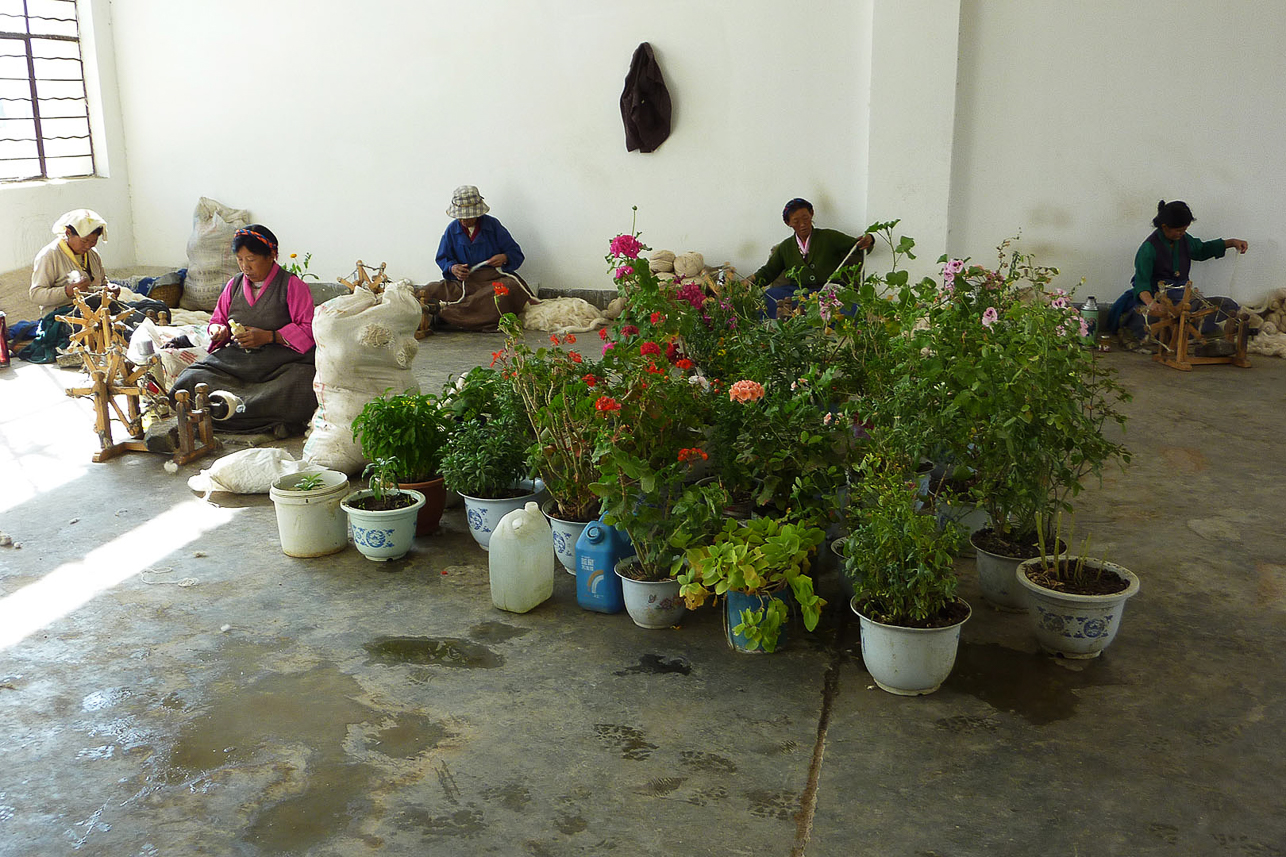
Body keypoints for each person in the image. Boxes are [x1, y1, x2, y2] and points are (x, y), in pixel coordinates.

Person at [169, 224, 317, 436]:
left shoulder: (292, 285)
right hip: (238, 362)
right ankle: (265, 420)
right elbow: (218, 319)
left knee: (303, 382)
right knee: (190, 379)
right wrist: (218, 331)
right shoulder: (234, 285)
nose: (245, 266)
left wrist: (270, 336)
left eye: (251, 259)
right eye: (240, 260)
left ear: (272, 255)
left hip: (280, 365)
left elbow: (308, 329)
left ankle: (226, 415)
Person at [1109, 200, 1248, 350]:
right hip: (1161, 300)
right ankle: (1193, 336)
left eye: (1184, 229)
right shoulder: (1148, 249)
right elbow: (1142, 284)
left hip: (1184, 299)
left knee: (1227, 306)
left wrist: (1232, 242)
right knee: (1147, 321)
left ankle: (1197, 335)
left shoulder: (1184, 239)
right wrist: (1152, 305)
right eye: (1179, 230)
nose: (1182, 233)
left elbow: (1201, 250)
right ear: (1164, 227)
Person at [420, 185, 534, 330]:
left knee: (507, 290)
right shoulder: (452, 230)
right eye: (460, 217)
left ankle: (446, 314)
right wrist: (453, 268)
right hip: (463, 283)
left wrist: (504, 257)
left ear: (478, 213)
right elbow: (443, 258)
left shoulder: (493, 226)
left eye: (468, 217)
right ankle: (456, 314)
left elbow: (516, 253)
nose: (463, 221)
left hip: (492, 281)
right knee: (430, 290)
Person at [749, 198, 875, 319]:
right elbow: (769, 271)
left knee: (850, 307)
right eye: (796, 221)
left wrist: (869, 239)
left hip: (828, 292)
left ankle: (811, 319)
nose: (803, 225)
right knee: (769, 297)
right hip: (798, 293)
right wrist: (750, 280)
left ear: (811, 214)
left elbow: (858, 247)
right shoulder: (785, 247)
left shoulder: (829, 237)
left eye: (806, 218)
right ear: (788, 223)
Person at [29, 209, 114, 315]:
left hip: (94, 309)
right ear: (68, 233)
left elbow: (102, 282)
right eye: (84, 241)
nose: (88, 246)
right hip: (63, 315)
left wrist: (110, 288)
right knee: (100, 328)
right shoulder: (49, 255)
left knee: (136, 313)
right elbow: (36, 294)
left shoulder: (92, 254)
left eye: (93, 241)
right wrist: (67, 291)